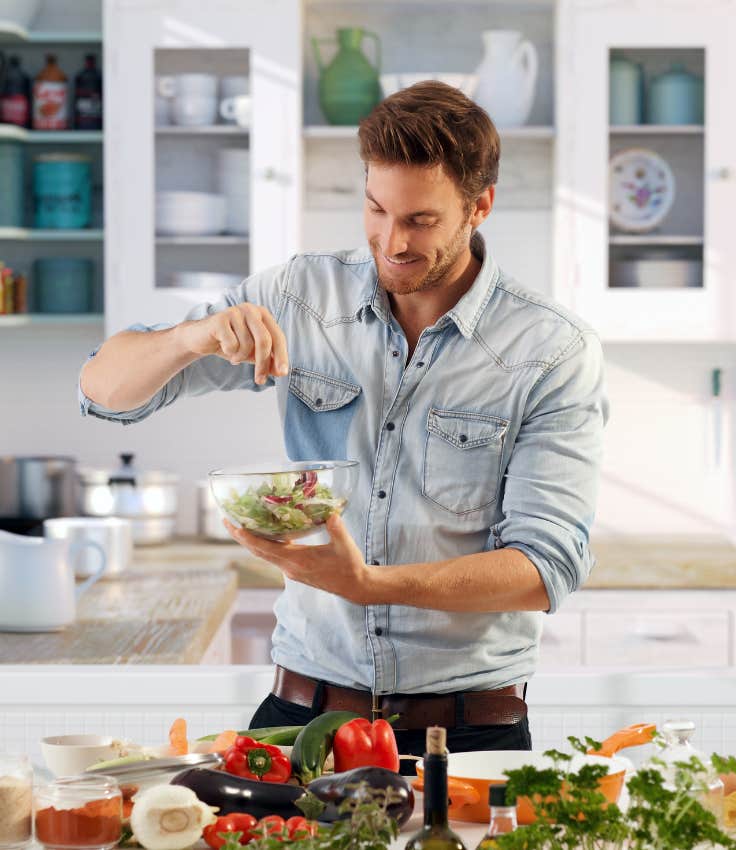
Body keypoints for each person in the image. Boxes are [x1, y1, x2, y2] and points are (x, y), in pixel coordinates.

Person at [79, 81, 608, 764]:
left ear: (480, 207)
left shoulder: (550, 350)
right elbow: (104, 389)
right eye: (376, 208)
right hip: (299, 718)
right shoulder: (299, 298)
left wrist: (367, 585)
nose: (392, 241)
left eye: (421, 220)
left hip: (468, 732)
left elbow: (545, 566)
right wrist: (195, 336)